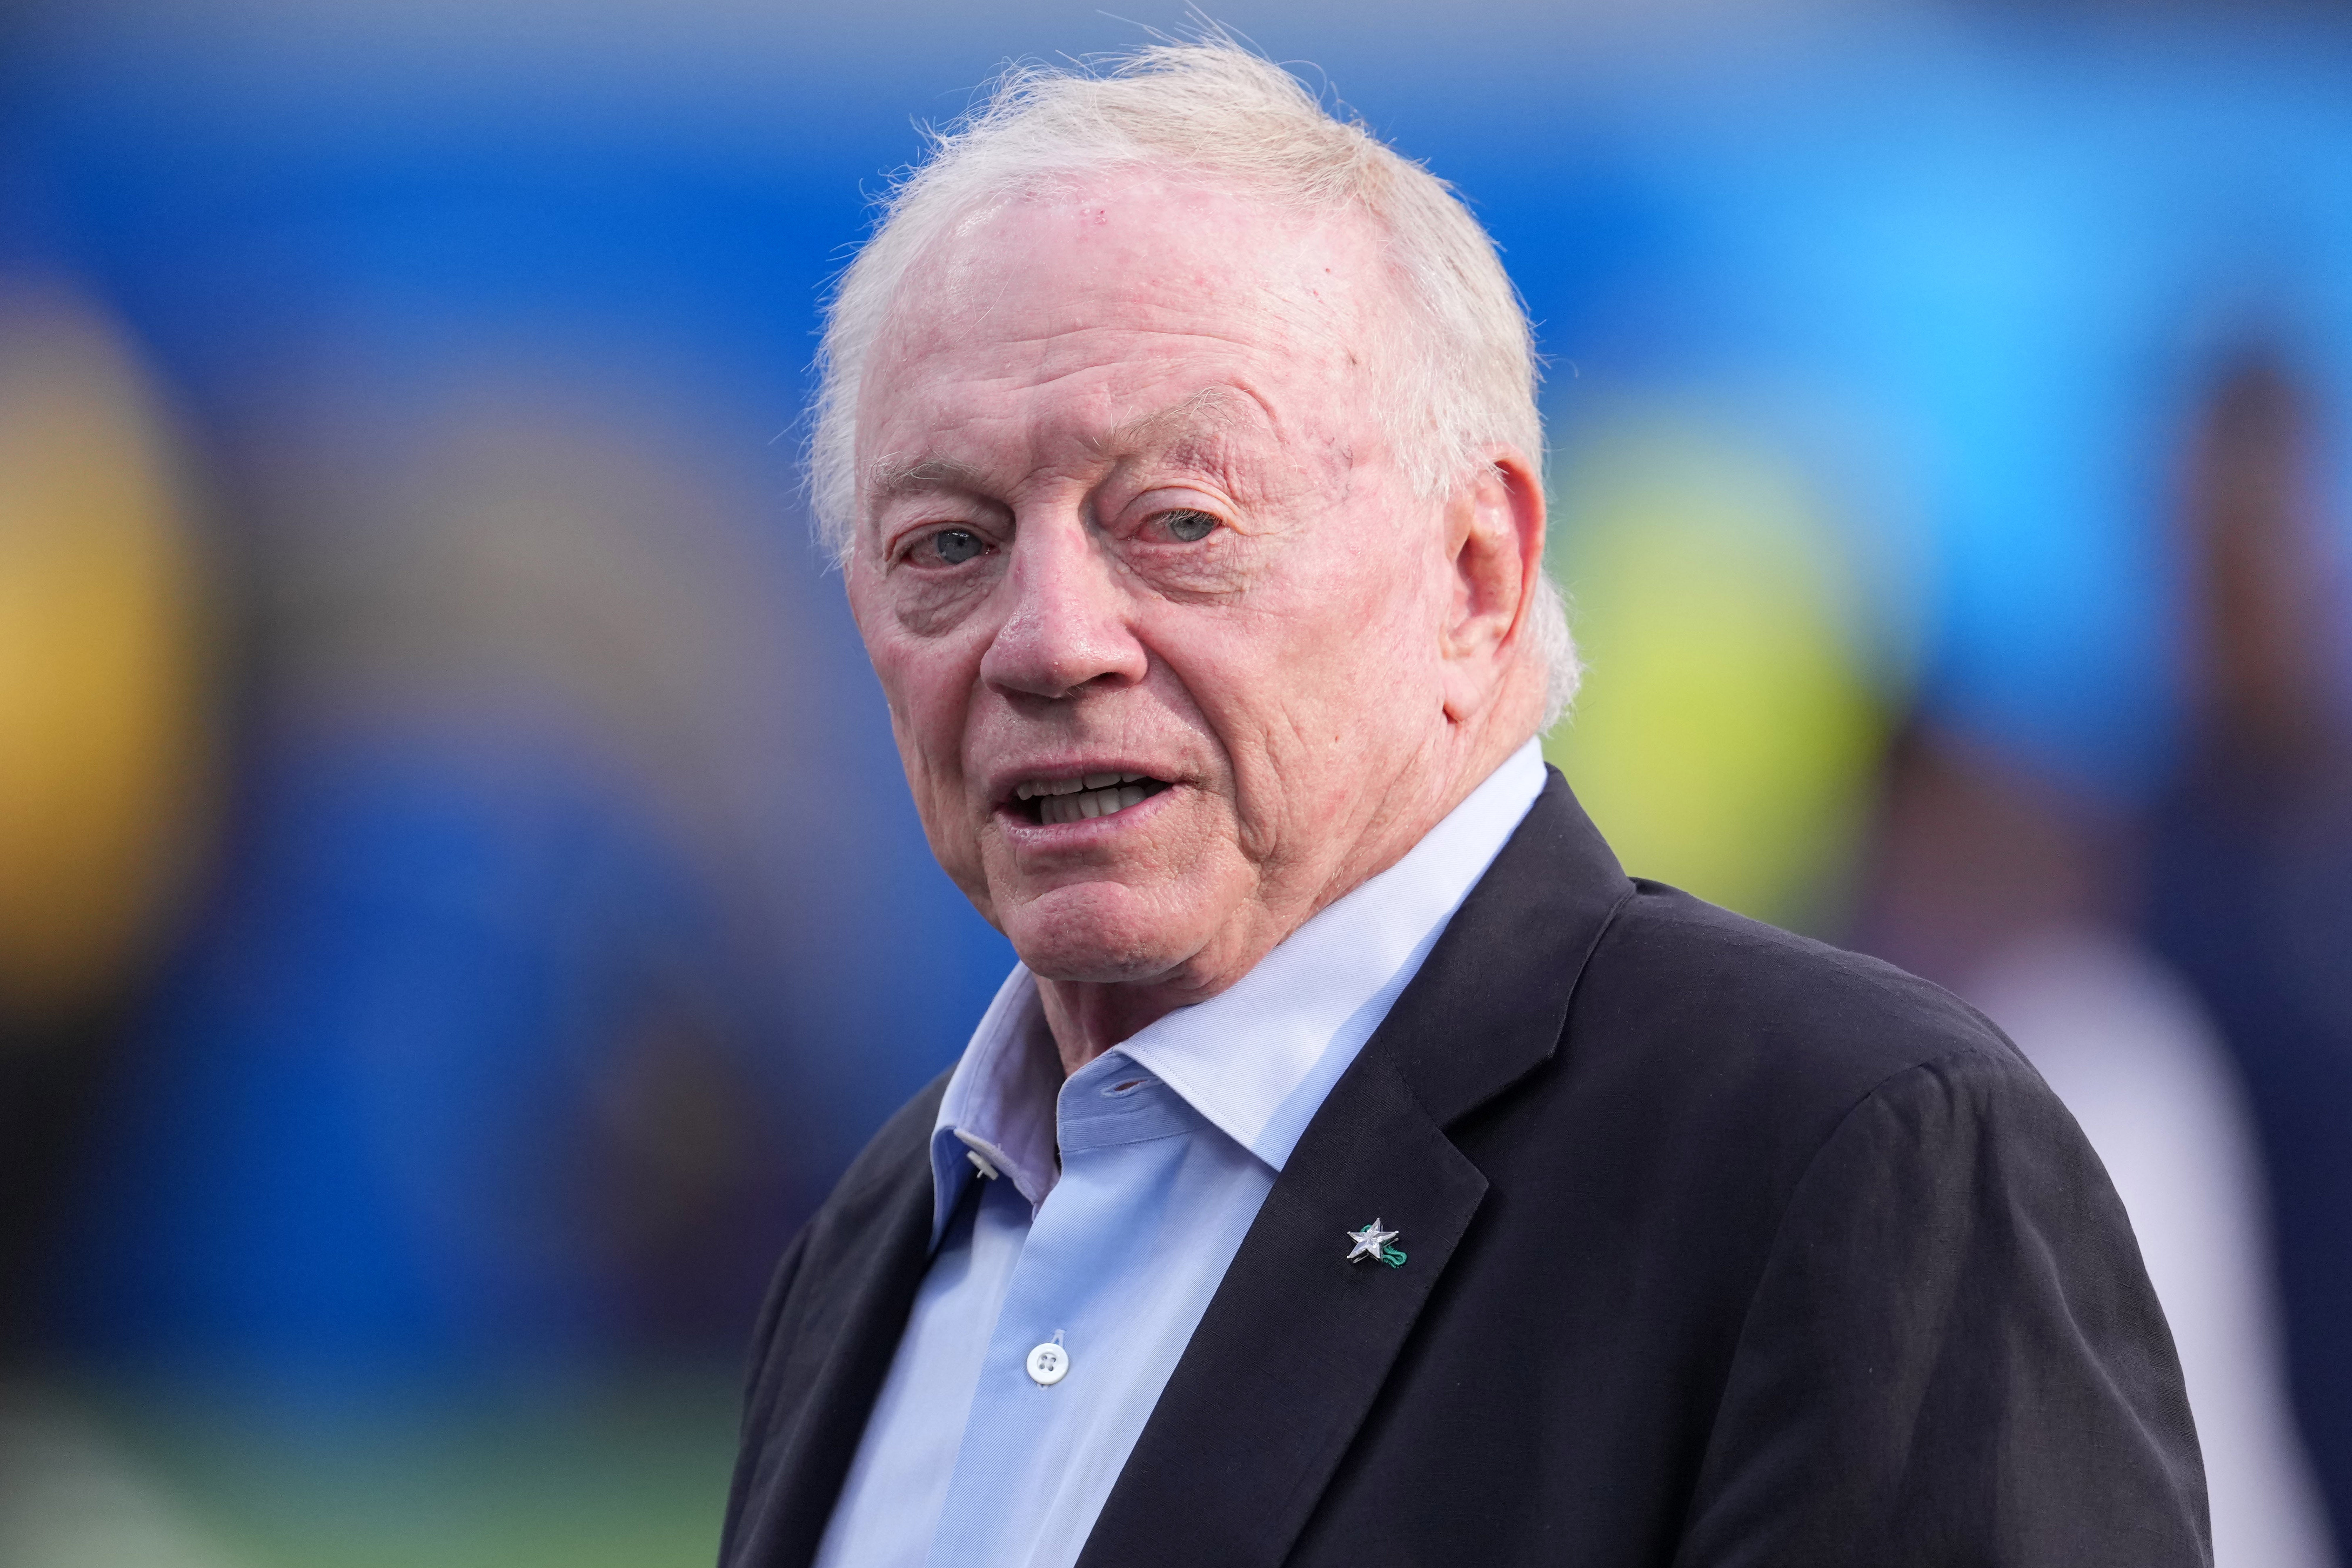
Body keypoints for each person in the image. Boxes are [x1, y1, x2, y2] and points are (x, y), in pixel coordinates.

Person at [720, 41, 2207, 1568]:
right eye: (947, 544)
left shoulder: (1841, 1155)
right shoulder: (875, 1239)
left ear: (1475, 572)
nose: (1047, 635)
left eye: (1177, 521)